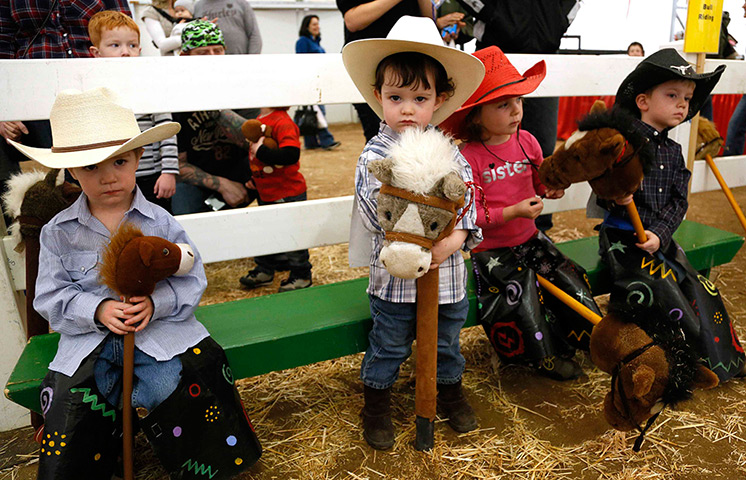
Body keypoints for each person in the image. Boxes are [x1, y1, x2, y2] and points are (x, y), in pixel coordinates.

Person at [7, 87, 261, 479]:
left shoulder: (160, 222)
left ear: (139, 158)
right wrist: (97, 309)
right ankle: (92, 466)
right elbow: (50, 295)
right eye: (91, 167)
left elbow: (192, 277)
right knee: (72, 400)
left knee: (175, 386)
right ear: (71, 171)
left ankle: (203, 466)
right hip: (88, 338)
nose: (108, 177)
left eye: (119, 162)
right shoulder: (59, 231)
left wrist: (156, 304)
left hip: (156, 334)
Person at [343, 16, 485, 449]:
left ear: (439, 100)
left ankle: (448, 391)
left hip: (446, 276)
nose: (407, 108)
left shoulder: (450, 153)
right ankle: (378, 405)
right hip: (395, 279)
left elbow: (467, 200)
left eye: (420, 97)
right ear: (377, 97)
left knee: (445, 341)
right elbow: (375, 211)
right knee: (389, 342)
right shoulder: (375, 155)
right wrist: (416, 242)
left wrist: (455, 239)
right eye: (396, 96)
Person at [440, 46, 602, 381]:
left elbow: (538, 182)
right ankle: (540, 356)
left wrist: (550, 189)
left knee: (569, 274)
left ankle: (589, 337)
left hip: (530, 239)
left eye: (519, 101)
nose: (516, 111)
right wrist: (513, 211)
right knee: (521, 293)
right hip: (491, 252)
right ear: (475, 115)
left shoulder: (527, 142)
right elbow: (471, 214)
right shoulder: (467, 158)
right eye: (503, 105)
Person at [598, 48, 745, 382]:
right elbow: (601, 186)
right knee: (664, 290)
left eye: (688, 97)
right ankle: (683, 362)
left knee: (699, 286)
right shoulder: (621, 146)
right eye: (672, 94)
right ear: (643, 101)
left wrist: (660, 234)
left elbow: (679, 201)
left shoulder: (675, 152)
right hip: (624, 239)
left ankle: (724, 358)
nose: (683, 103)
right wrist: (616, 197)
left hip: (658, 239)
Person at [0, 0, 132, 210]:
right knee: (47, 196)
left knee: (104, 185)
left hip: (96, 97)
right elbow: (3, 42)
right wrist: (5, 107)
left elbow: (126, 30)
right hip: (33, 99)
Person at [88, 11, 179, 213]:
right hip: (114, 179)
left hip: (152, 176)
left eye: (132, 45)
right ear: (96, 53)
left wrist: (168, 172)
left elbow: (166, 130)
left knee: (157, 226)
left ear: (139, 48)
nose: (125, 52)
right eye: (115, 45)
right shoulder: (94, 92)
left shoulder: (149, 87)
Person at [171, 20, 255, 215]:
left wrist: (211, 103)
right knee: (187, 220)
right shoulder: (174, 95)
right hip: (195, 180)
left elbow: (254, 140)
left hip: (241, 175)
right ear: (185, 57)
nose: (212, 58)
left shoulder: (243, 87)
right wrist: (222, 185)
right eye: (203, 52)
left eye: (218, 50)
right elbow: (176, 163)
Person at [238, 107, 313, 292]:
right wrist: (255, 178)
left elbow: (291, 154)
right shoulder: (261, 118)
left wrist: (260, 151)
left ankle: (301, 274)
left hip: (287, 191)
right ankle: (265, 269)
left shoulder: (283, 122)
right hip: (266, 191)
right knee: (267, 231)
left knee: (292, 233)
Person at [336, 0, 432, 142]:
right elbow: (353, 20)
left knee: (424, 135)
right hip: (371, 67)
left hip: (415, 62)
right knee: (378, 135)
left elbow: (428, 18)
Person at [295, 15, 341, 151]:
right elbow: (302, 62)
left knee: (314, 111)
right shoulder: (302, 41)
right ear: (307, 26)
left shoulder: (316, 42)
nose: (317, 26)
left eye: (318, 24)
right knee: (317, 111)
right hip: (310, 82)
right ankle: (327, 140)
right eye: (314, 24)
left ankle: (311, 142)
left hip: (319, 81)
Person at [193, 0, 262, 55]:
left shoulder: (241, 3)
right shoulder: (198, 6)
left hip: (240, 60)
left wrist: (251, 61)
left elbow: (254, 35)